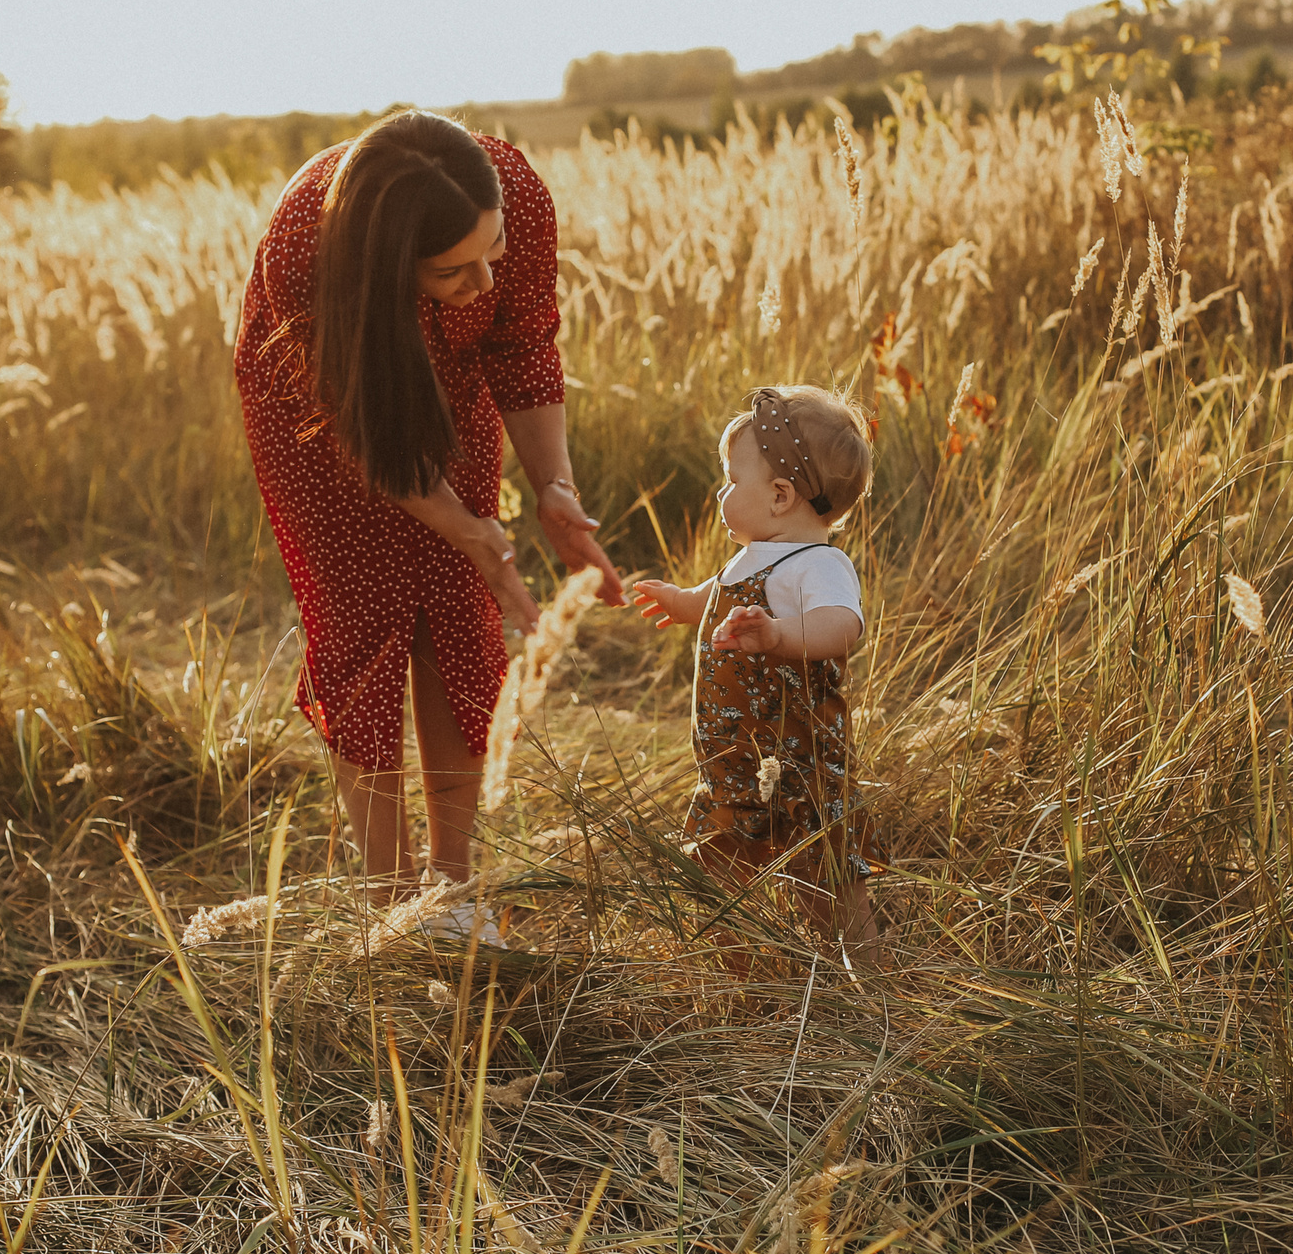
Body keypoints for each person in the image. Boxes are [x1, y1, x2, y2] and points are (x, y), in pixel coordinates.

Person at [235, 110, 622, 935]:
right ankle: (389, 901)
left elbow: (523, 345)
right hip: (320, 409)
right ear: (388, 266)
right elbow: (360, 422)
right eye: (453, 271)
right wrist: (467, 525)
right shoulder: (306, 251)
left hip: (453, 384)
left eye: (495, 252)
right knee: (364, 620)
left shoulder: (512, 187)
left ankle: (451, 891)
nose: (485, 282)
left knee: (455, 603)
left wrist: (554, 486)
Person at [627, 385, 880, 966]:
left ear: (780, 495)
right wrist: (684, 602)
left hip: (798, 759)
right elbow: (718, 598)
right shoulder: (752, 555)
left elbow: (843, 625)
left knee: (827, 873)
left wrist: (779, 636)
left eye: (731, 480)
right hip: (733, 757)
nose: (722, 492)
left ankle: (867, 982)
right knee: (720, 866)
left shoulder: (818, 563)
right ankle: (738, 975)